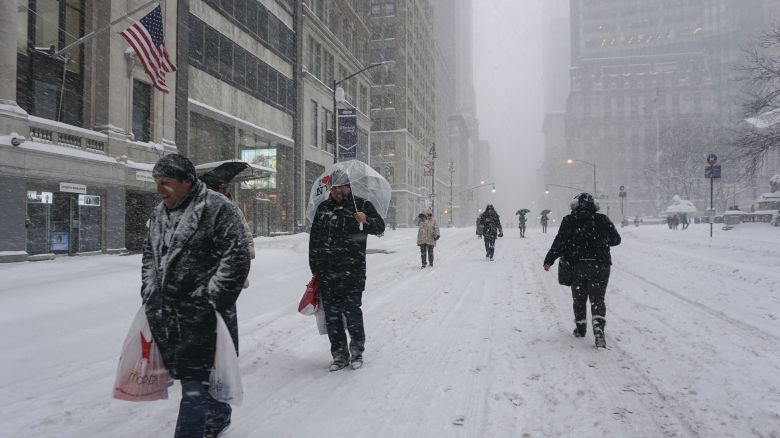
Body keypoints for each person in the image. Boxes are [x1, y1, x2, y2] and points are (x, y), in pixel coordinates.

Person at [141, 154, 250, 438]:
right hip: (169, 316)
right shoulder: (159, 215)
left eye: (165, 182)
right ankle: (218, 415)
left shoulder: (218, 209)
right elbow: (149, 260)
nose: (159, 189)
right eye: (156, 182)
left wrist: (209, 300)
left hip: (206, 316)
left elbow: (236, 259)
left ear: (186, 182)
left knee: (195, 385)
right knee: (199, 378)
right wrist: (151, 293)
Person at [308, 170, 385, 371]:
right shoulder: (324, 208)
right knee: (332, 316)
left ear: (348, 187)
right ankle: (339, 355)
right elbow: (314, 239)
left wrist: (365, 220)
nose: (336, 191)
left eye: (340, 186)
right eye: (333, 187)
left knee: (352, 313)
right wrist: (315, 266)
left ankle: (357, 351)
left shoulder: (361, 205)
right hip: (328, 272)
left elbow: (380, 228)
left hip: (353, 270)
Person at [543, 193, 620, 348]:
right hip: (601, 265)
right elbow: (616, 239)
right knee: (598, 299)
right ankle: (599, 330)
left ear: (575, 205)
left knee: (579, 298)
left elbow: (560, 242)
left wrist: (549, 260)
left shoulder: (569, 220)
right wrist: (600, 242)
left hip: (577, 265)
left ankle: (581, 327)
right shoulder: (602, 219)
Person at [200, 173, 256, 288]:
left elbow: (245, 235)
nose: (226, 190)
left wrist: (245, 253)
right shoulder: (202, 210)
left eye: (225, 188)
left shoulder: (231, 209)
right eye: (223, 188)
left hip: (226, 270)